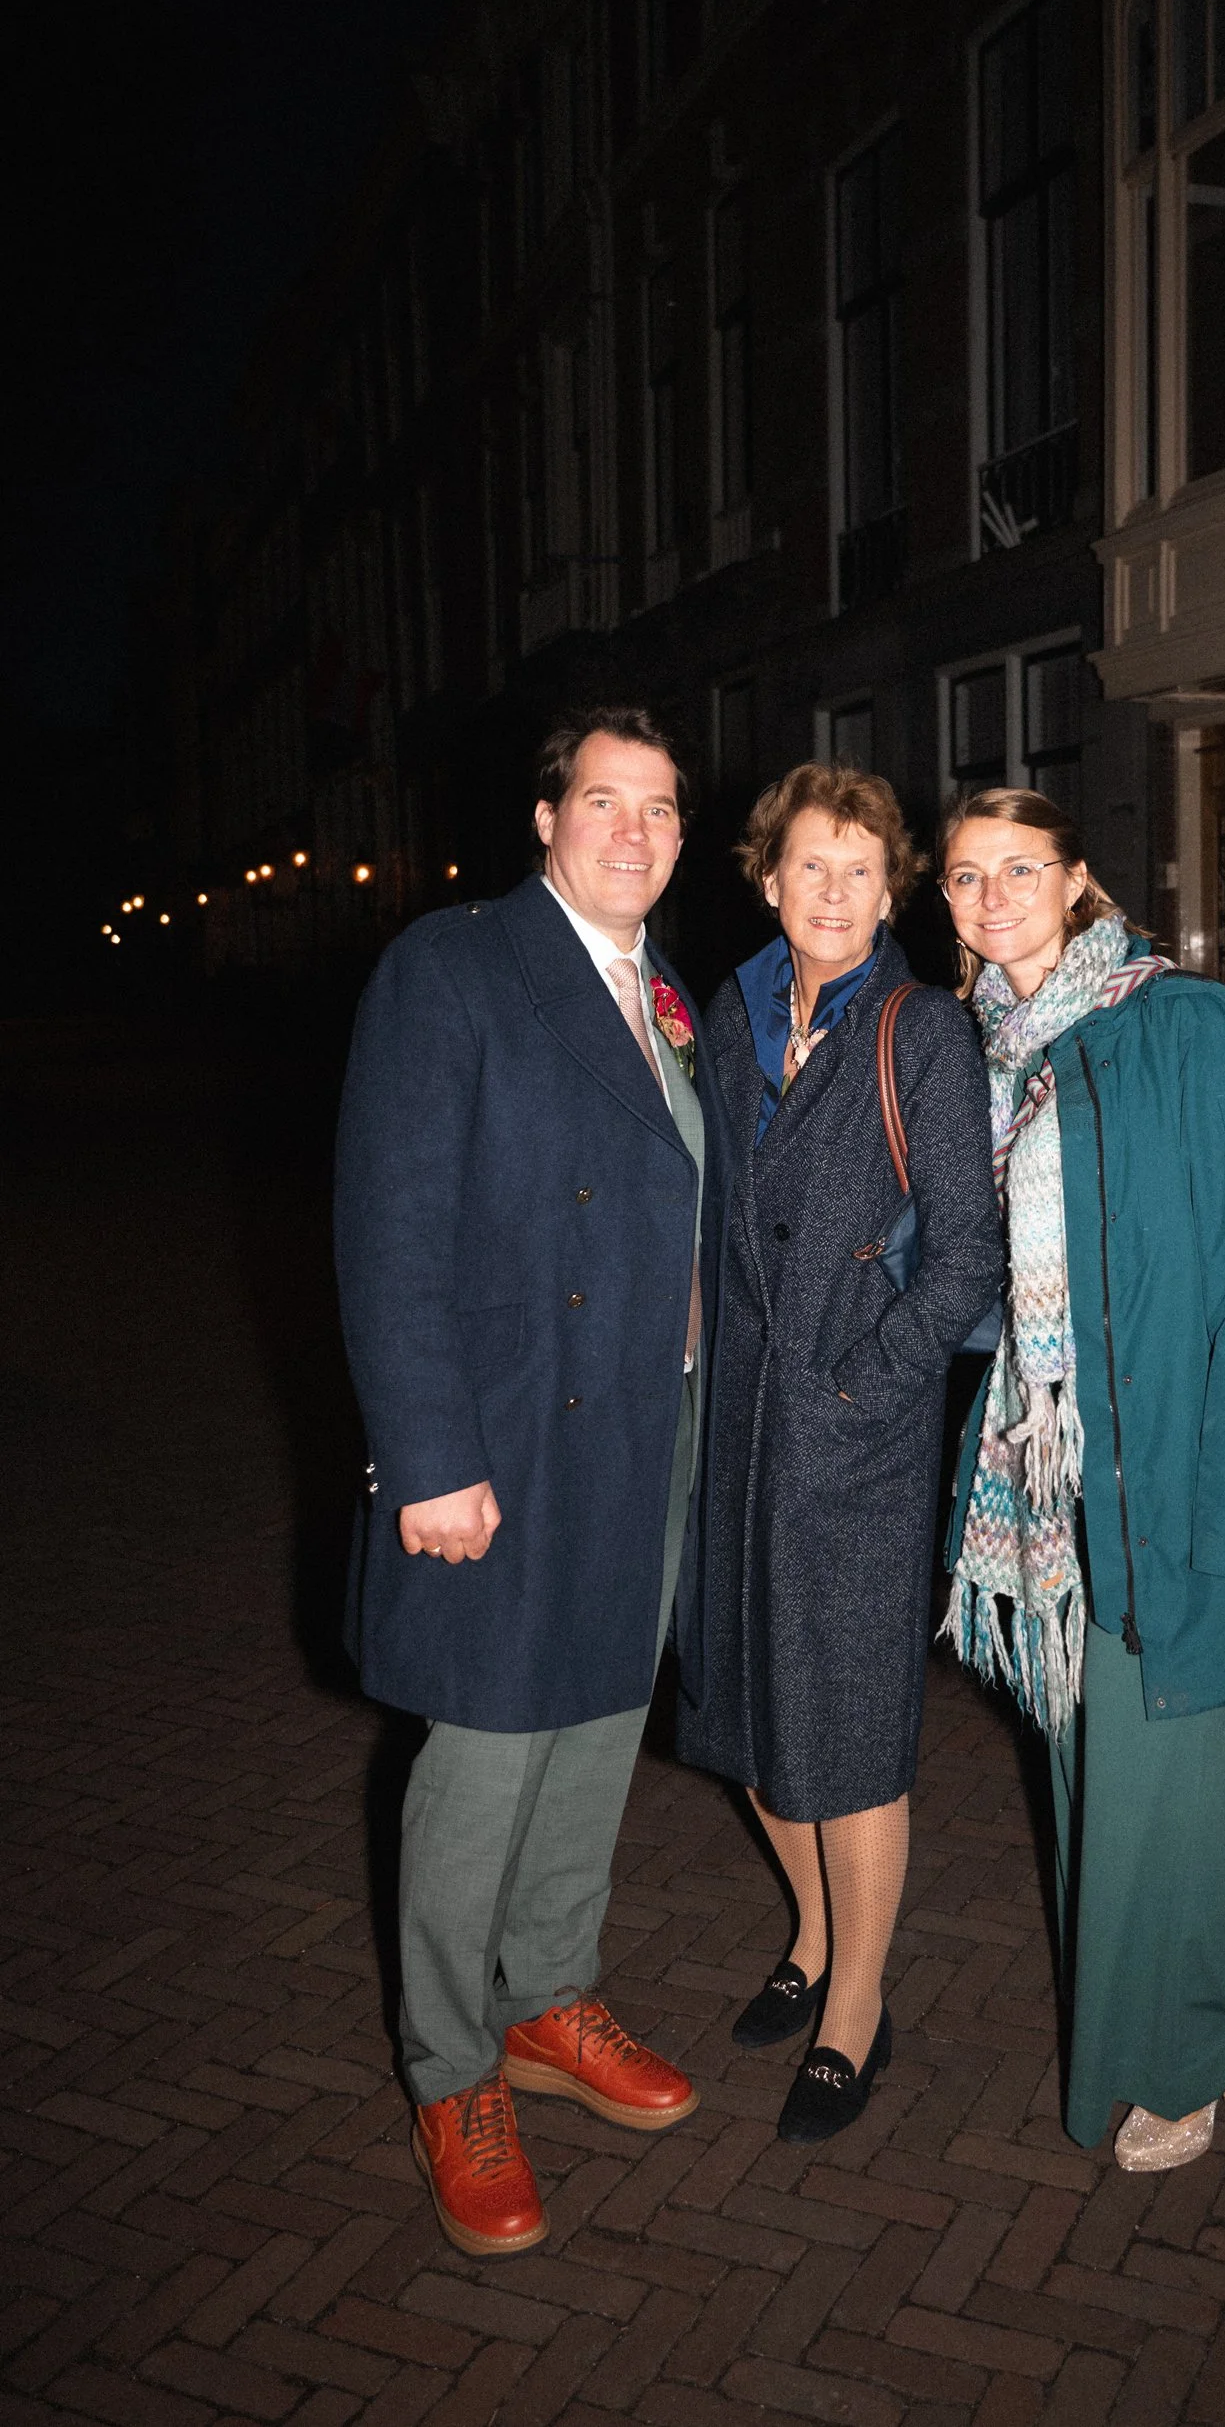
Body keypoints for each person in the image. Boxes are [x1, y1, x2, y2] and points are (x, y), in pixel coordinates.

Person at [939, 786, 1225, 2171]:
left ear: (1078, 880)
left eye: (1020, 867)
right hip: (1057, 1478)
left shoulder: (1181, 1028)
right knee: (1094, 1781)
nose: (992, 895)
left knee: (1166, 1795)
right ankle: (1135, 2033)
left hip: (1176, 1477)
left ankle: (1184, 2058)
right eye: (964, 876)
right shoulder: (992, 1052)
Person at [335, 705, 721, 2257]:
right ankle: (451, 2066)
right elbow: (389, 1225)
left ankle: (547, 1994)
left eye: (661, 808)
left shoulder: (665, 989)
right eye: (604, 801)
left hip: (645, 1427)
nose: (634, 831)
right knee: (487, 1749)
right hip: (505, 1437)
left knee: (599, 1722)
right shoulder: (456, 967)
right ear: (547, 820)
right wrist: (429, 1454)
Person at [677, 764, 1004, 2143]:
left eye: (859, 871)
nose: (832, 890)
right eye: (810, 864)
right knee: (750, 1714)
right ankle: (811, 1936)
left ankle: (856, 2007)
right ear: (769, 879)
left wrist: (859, 1385)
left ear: (890, 892)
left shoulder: (919, 1032)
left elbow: (968, 1257)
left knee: (851, 1733)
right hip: (735, 1427)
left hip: (856, 1438)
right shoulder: (723, 1016)